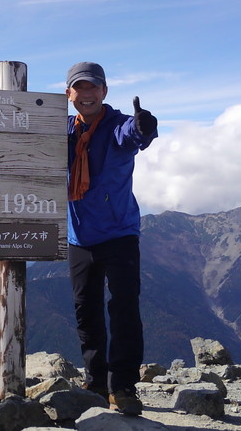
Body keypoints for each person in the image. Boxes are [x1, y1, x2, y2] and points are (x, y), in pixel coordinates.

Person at [65, 62, 158, 416]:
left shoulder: (118, 125)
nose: (86, 95)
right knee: (85, 311)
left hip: (119, 234)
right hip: (79, 237)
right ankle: (96, 382)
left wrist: (144, 125)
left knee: (124, 309)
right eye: (79, 88)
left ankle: (124, 385)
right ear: (68, 93)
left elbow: (133, 136)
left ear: (104, 92)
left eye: (93, 89)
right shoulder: (63, 131)